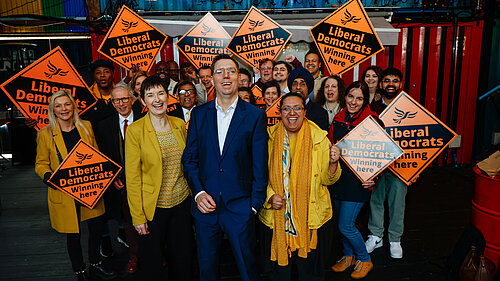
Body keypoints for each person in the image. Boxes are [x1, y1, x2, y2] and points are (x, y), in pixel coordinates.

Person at [182, 54, 268, 281]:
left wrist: (253, 207)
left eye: (231, 71)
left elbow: (260, 165)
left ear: (239, 77)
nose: (226, 76)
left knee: (248, 270)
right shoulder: (199, 115)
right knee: (207, 271)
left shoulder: (255, 116)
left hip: (240, 209)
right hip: (205, 209)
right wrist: (198, 193)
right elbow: (189, 159)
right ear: (212, 78)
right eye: (220, 71)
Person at [259, 92, 341, 281]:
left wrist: (333, 164)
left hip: (310, 218)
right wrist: (270, 196)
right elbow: (258, 175)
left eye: (297, 108)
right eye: (286, 108)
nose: (292, 113)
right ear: (280, 112)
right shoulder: (268, 137)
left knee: (309, 273)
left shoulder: (320, 138)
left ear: (305, 112)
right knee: (280, 273)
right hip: (276, 216)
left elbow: (328, 181)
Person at [35, 90, 116, 281]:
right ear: (53, 110)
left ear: (73, 106)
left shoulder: (86, 127)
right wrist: (48, 176)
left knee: (96, 229)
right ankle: (79, 271)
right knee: (73, 235)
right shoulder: (45, 134)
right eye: (58, 106)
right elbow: (40, 163)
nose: (64, 109)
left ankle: (96, 264)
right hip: (64, 191)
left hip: (89, 189)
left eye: (67, 104)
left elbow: (96, 154)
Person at [125, 76, 194, 281]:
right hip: (152, 209)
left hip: (181, 204)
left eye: (160, 93)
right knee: (153, 264)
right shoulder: (135, 131)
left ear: (168, 96)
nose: (157, 99)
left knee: (183, 260)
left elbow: (187, 163)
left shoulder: (179, 123)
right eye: (150, 95)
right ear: (142, 101)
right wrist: (138, 217)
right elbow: (133, 177)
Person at [328, 81, 382, 279]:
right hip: (339, 179)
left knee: (346, 225)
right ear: (345, 97)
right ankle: (349, 256)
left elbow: (382, 154)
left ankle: (364, 259)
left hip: (359, 183)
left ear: (365, 100)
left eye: (359, 98)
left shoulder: (373, 120)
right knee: (340, 223)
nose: (353, 101)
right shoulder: (338, 118)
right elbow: (331, 144)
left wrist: (375, 177)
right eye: (351, 96)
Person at [95, 82, 144, 274]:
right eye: (117, 100)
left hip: (146, 181)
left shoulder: (145, 119)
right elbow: (103, 155)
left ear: (132, 99)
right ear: (113, 103)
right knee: (129, 221)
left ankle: (156, 253)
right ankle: (135, 256)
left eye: (124, 99)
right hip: (122, 184)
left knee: (152, 219)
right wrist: (112, 176)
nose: (121, 104)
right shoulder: (104, 125)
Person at [366, 67, 408, 259]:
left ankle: (395, 239)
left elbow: (419, 142)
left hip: (401, 166)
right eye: (387, 80)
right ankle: (376, 235)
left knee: (398, 201)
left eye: (395, 80)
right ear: (381, 84)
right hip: (377, 163)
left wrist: (416, 168)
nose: (391, 84)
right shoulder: (372, 108)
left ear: (400, 84)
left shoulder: (409, 108)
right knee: (376, 200)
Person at [287, 67, 329, 131]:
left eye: (302, 84)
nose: (298, 87)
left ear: (308, 87)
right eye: (295, 84)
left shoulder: (320, 113)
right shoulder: (284, 110)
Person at [81, 59, 117, 128]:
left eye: (106, 72)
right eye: (98, 73)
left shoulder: (121, 94)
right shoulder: (88, 97)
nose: (102, 75)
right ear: (94, 76)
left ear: (112, 74)